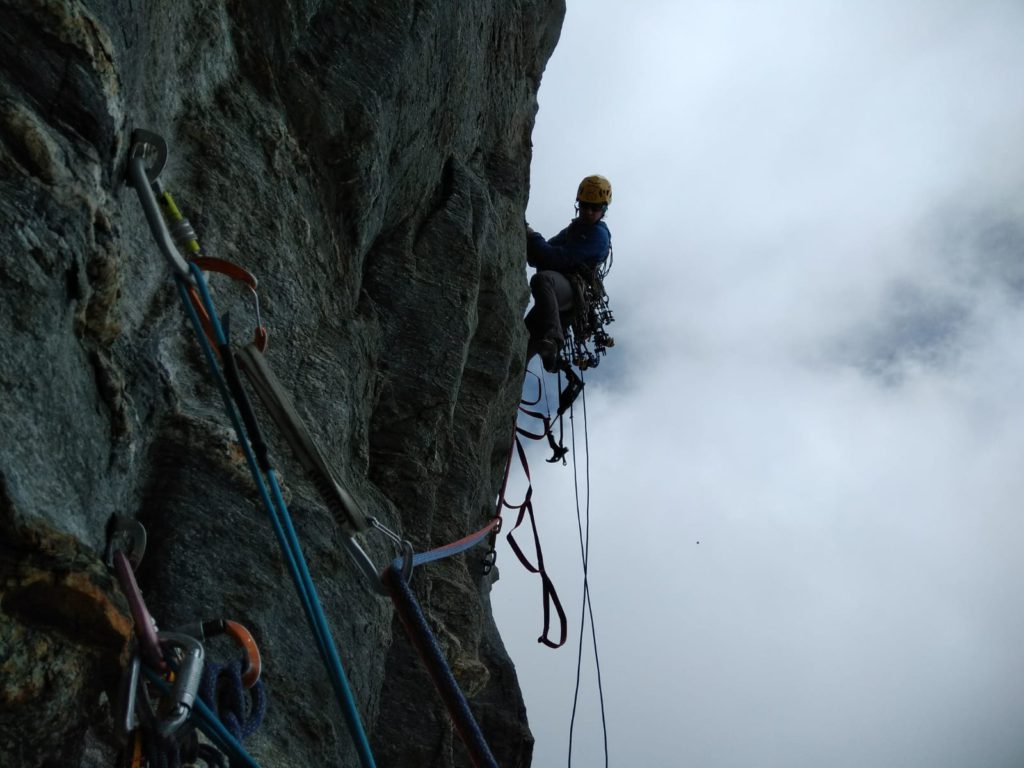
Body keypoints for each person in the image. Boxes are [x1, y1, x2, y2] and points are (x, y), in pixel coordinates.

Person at [525, 174, 612, 372]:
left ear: (603, 210)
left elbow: (555, 258)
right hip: (560, 292)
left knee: (542, 280)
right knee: (522, 339)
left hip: (572, 292)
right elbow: (544, 253)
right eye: (584, 205)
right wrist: (532, 242)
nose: (588, 212)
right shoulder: (573, 229)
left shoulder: (598, 237)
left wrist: (531, 236)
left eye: (595, 208)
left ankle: (554, 340)